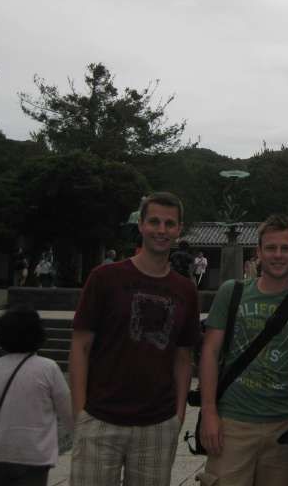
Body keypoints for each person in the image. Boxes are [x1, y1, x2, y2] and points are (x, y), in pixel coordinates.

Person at [68, 192, 200, 486]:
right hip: (101, 418)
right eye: (154, 221)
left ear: (179, 229)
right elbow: (81, 345)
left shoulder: (185, 290)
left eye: (169, 224)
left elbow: (183, 357)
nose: (161, 230)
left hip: (158, 423)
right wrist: (80, 413)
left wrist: (178, 416)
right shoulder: (105, 278)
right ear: (140, 225)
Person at [198, 215, 288, 486]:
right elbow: (209, 353)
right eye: (271, 248)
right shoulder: (232, 292)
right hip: (232, 423)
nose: (278, 255)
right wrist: (208, 412)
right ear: (258, 252)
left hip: (284, 426)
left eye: (285, 248)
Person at [0, 305, 73, 485]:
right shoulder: (49, 368)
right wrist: (84, 444)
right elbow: (69, 414)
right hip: (33, 456)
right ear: (38, 334)